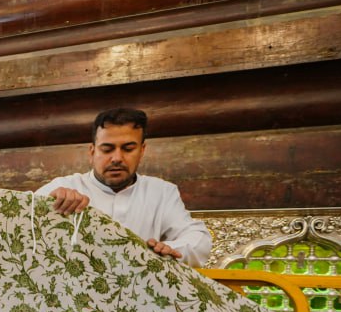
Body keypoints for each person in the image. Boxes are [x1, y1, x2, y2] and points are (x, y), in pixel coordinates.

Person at [36, 107, 211, 267]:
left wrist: (167, 248)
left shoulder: (162, 192)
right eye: (107, 149)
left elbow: (198, 239)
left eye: (128, 149)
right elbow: (20, 223)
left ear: (142, 151)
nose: (117, 158)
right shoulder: (64, 186)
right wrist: (48, 207)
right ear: (92, 152)